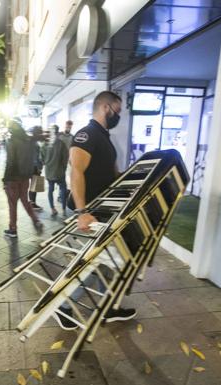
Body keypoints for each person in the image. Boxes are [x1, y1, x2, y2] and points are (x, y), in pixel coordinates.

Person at [54, 91, 136, 330]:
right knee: (93, 263)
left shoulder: (103, 137)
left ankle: (108, 307)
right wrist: (82, 212)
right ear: (105, 108)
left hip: (101, 212)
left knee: (104, 261)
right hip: (88, 213)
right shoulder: (87, 134)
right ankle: (64, 307)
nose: (118, 115)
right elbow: (76, 172)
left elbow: (109, 174)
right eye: (117, 111)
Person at [3, 118, 44, 238]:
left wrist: (5, 179)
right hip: (26, 177)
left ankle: (13, 229)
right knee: (25, 200)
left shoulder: (11, 141)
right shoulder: (29, 140)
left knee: (12, 204)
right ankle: (36, 220)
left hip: (13, 178)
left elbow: (10, 162)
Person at [44, 124, 69, 216]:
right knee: (63, 189)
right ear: (58, 132)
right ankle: (63, 209)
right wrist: (63, 168)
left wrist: (47, 163)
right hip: (59, 172)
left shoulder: (46, 144)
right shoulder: (61, 144)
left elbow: (41, 158)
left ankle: (53, 209)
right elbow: (65, 158)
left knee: (50, 190)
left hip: (49, 172)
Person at [28, 126, 46, 211]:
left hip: (30, 166)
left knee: (34, 186)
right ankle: (32, 204)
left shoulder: (31, 141)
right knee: (35, 186)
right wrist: (39, 167)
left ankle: (32, 203)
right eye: (41, 132)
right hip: (35, 167)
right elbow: (36, 157)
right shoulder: (35, 143)